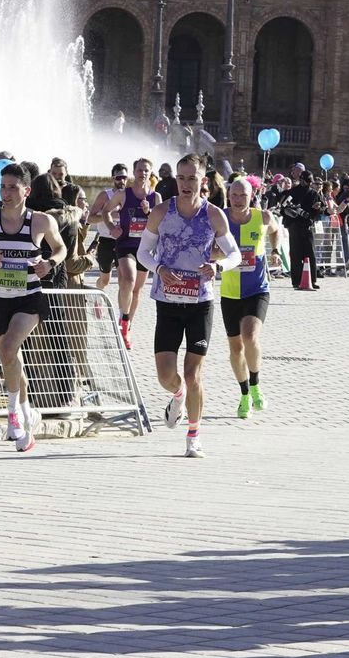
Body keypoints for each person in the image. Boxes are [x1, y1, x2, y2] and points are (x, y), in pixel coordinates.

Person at [137, 153, 241, 459]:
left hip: (200, 303)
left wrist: (218, 267)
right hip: (167, 302)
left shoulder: (214, 216)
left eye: (191, 178)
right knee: (165, 376)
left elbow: (234, 254)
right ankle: (178, 396)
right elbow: (143, 252)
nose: (185, 184)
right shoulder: (160, 212)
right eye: (181, 178)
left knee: (194, 373)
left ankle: (194, 435)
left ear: (203, 181)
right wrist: (158, 268)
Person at [0, 163, 68, 452]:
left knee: (7, 350)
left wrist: (49, 263)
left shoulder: (41, 222)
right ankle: (29, 412)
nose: (6, 192)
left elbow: (61, 248)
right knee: (10, 359)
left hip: (29, 298)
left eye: (13, 187)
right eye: (2, 186)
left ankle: (13, 415)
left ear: (26, 190)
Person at [222, 176, 279, 420]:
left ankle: (255, 384)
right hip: (229, 292)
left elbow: (277, 232)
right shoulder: (220, 217)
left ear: (251, 196)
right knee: (235, 349)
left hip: (257, 289)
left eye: (242, 195)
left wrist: (275, 250)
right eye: (233, 195)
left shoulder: (262, 217)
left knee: (250, 336)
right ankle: (245, 393)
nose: (237, 200)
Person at [104, 158, 160, 347]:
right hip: (125, 243)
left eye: (146, 171)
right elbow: (105, 211)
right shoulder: (123, 194)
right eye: (139, 170)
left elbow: (158, 223)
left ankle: (127, 326)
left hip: (144, 247)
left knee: (137, 291)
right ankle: (123, 318)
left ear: (150, 173)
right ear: (134, 172)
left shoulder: (155, 197)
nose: (142, 173)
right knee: (128, 280)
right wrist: (112, 227)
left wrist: (149, 211)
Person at [277, 164, 321, 289]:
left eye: (309, 182)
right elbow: (283, 207)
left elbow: (318, 209)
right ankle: (296, 280)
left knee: (310, 254)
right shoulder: (293, 192)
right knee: (296, 254)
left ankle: (312, 279)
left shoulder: (314, 194)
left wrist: (316, 210)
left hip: (307, 226)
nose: (307, 184)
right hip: (294, 225)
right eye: (306, 181)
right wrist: (290, 211)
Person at [87, 165, 128, 292]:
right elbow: (90, 218)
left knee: (124, 278)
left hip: (123, 241)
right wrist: (108, 215)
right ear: (113, 178)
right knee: (105, 280)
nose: (122, 181)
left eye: (124, 177)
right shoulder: (105, 195)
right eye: (118, 178)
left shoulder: (129, 195)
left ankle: (123, 310)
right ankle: (97, 295)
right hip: (106, 241)